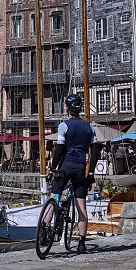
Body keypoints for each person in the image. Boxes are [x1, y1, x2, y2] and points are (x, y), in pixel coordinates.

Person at [43, 93, 101, 254]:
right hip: (81, 167)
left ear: (67, 108)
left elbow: (59, 149)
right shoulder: (89, 127)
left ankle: (44, 229)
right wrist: (90, 173)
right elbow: (95, 151)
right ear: (80, 108)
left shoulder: (64, 126)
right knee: (81, 206)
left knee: (54, 195)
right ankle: (82, 244)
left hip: (66, 166)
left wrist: (53, 167)